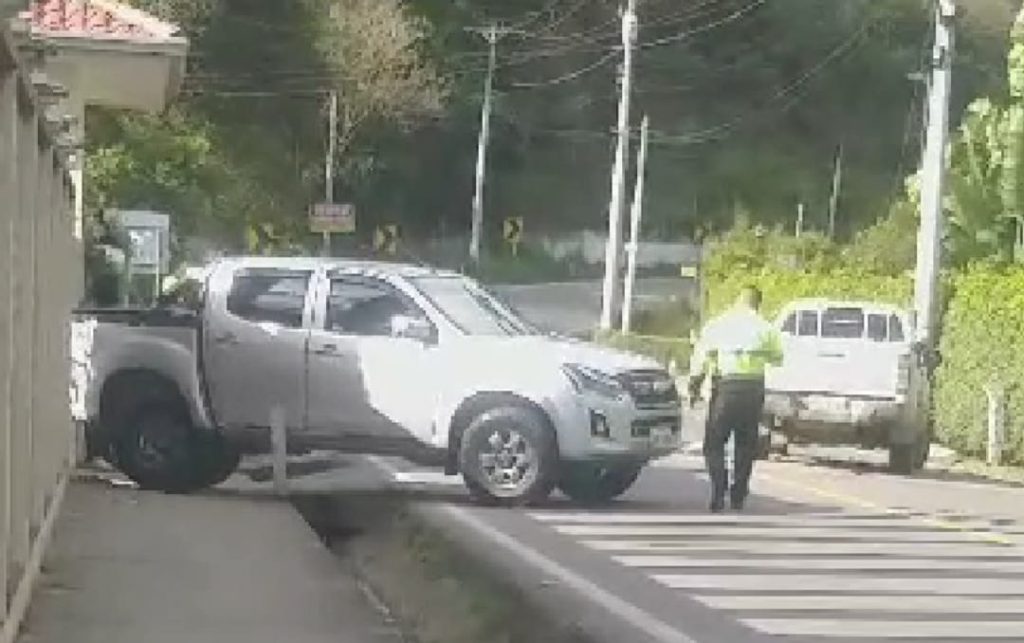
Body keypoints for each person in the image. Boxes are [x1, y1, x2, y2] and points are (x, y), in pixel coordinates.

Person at [688, 285, 783, 513]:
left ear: (738, 300)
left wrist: (694, 387)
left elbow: (701, 358)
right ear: (758, 303)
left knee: (714, 443)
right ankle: (738, 495)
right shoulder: (766, 328)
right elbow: (778, 359)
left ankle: (718, 492)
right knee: (746, 444)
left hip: (726, 388)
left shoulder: (719, 325)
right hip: (753, 389)